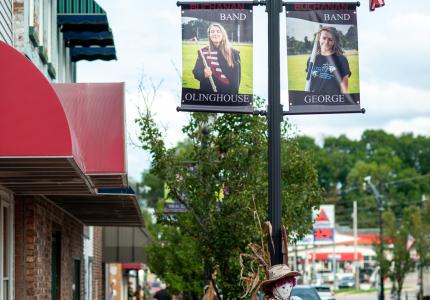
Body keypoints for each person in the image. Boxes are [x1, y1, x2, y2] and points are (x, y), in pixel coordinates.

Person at [192, 23, 241, 94]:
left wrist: (231, 98)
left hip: (226, 95)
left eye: (218, 31)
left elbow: (236, 82)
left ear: (223, 34)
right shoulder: (203, 52)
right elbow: (196, 72)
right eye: (212, 32)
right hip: (206, 94)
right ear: (209, 35)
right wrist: (204, 74)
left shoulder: (234, 53)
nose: (215, 34)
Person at [306, 26, 351, 94]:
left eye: (330, 39)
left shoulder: (342, 60)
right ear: (319, 38)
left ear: (334, 42)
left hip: (333, 102)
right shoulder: (312, 59)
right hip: (314, 101)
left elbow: (344, 90)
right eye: (324, 38)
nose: (326, 42)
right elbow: (308, 82)